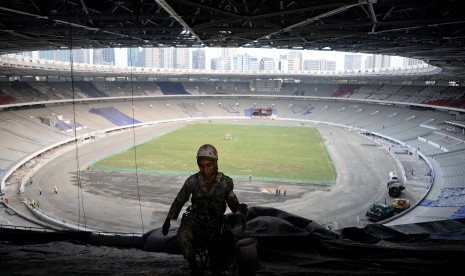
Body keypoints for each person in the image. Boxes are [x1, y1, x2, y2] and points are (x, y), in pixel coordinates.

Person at [162, 144, 247, 275]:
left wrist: (239, 207)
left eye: (208, 165)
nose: (205, 169)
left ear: (215, 164)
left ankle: (215, 266)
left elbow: (232, 203)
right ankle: (193, 266)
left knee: (220, 247)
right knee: (183, 235)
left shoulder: (225, 182)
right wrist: (168, 220)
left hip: (216, 219)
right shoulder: (192, 181)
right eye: (201, 166)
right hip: (196, 216)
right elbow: (180, 199)